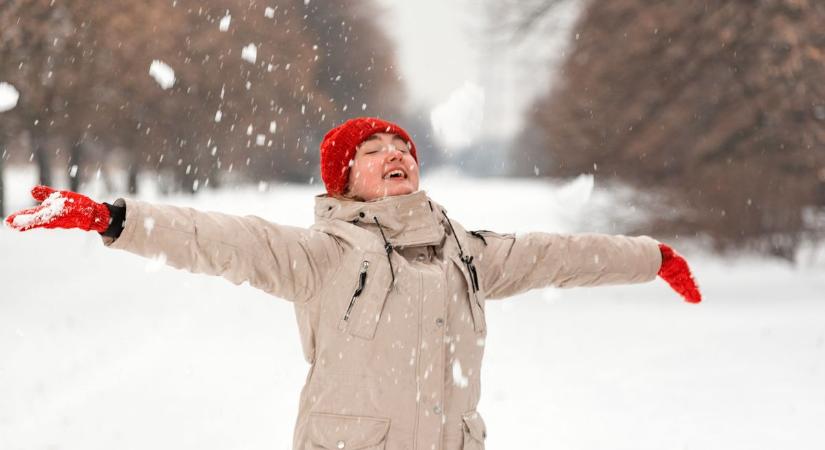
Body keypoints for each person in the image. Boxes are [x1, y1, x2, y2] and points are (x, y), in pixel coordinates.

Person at [5, 117, 701, 450]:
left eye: (401, 148)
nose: (393, 154)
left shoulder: (468, 252)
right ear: (345, 180)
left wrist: (651, 256)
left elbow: (561, 255)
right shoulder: (325, 255)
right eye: (372, 152)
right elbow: (219, 239)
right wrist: (113, 216)